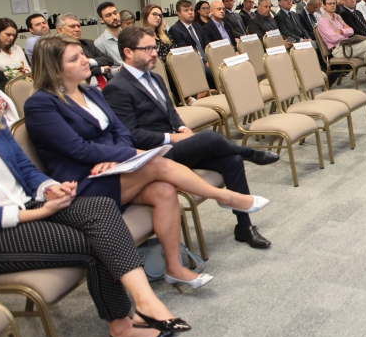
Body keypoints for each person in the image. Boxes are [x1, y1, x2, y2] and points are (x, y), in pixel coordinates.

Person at [24, 35, 269, 289]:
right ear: (54, 68)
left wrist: (114, 156)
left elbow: (122, 133)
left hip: (113, 170)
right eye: (75, 58)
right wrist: (126, 155)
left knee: (164, 190)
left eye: (82, 54)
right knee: (155, 161)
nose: (86, 60)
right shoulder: (40, 104)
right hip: (82, 184)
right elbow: (78, 149)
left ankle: (174, 268)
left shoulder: (91, 92)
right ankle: (227, 197)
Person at [0, 114, 190, 337]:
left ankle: (145, 303)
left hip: (28, 204)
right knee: (98, 241)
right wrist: (38, 213)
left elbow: (24, 168)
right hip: (2, 230)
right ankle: (121, 328)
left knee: (101, 208)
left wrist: (50, 188)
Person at [102, 26, 278, 249]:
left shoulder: (155, 78)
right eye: (147, 49)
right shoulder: (116, 88)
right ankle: (250, 153)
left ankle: (244, 227)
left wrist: (182, 128)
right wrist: (171, 138)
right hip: (153, 157)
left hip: (174, 147)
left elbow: (171, 113)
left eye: (154, 47)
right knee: (210, 138)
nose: (154, 53)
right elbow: (131, 134)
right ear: (128, 52)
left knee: (231, 160)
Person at [168, 0, 219, 90]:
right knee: (216, 72)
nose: (190, 12)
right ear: (178, 13)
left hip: (207, 60)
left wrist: (211, 59)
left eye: (191, 10)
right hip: (194, 63)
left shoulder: (197, 26)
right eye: (186, 10)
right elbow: (186, 51)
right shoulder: (175, 29)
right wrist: (205, 62)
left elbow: (207, 45)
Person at [56, 13, 114, 85]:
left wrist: (89, 62)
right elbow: (74, 72)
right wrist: (100, 69)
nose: (77, 29)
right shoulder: (57, 49)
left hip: (107, 83)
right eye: (72, 26)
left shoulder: (87, 43)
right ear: (60, 30)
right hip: (83, 86)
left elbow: (109, 59)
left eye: (78, 26)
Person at [95, 2, 125, 71]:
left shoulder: (130, 35)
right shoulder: (99, 43)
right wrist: (120, 70)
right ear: (102, 20)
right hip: (118, 79)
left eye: (115, 13)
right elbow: (102, 71)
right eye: (108, 15)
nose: (114, 17)